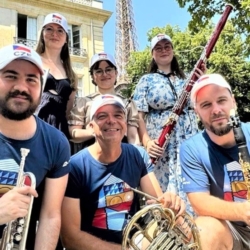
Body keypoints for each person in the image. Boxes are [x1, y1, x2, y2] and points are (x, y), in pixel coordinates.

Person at [61, 94, 186, 249]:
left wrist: (171, 203)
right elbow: (70, 237)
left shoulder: (138, 155)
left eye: (118, 115)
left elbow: (159, 205)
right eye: (102, 116)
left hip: (133, 243)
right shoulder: (75, 166)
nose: (111, 120)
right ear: (91, 126)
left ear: (125, 124)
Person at [0, 44, 70, 249]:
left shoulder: (56, 143)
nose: (21, 87)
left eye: (31, 79)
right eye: (11, 76)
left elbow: (50, 216)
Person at [132, 33, 205, 215]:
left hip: (189, 143)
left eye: (167, 46)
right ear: (152, 54)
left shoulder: (188, 78)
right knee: (164, 196)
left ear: (173, 50)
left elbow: (202, 104)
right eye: (158, 47)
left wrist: (202, 79)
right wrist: (147, 142)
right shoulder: (146, 80)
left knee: (194, 188)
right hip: (161, 147)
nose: (163, 50)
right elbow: (137, 116)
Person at [180, 73, 250, 250]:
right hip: (234, 229)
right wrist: (243, 212)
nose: (216, 110)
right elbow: (200, 202)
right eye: (206, 105)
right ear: (197, 111)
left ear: (233, 101)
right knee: (205, 228)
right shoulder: (191, 148)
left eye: (221, 100)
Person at [68, 52, 140, 153]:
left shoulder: (127, 103)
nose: (104, 74)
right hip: (92, 156)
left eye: (108, 69)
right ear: (92, 76)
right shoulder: (83, 102)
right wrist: (93, 132)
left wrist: (138, 157)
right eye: (98, 71)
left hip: (122, 156)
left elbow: (133, 137)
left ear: (116, 73)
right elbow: (73, 133)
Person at [35, 13, 77, 139]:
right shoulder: (31, 61)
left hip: (60, 131)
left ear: (66, 39)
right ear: (42, 34)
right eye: (49, 29)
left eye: (60, 30)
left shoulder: (71, 74)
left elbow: (68, 112)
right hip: (33, 126)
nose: (55, 34)